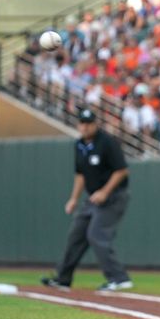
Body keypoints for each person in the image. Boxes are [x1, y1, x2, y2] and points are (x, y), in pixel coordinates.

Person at [41, 109, 133, 291]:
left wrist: (105, 192)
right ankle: (63, 278)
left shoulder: (106, 142)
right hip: (93, 198)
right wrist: (73, 199)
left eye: (88, 123)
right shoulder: (79, 145)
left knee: (97, 235)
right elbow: (80, 174)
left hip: (113, 196)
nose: (85, 126)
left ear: (95, 124)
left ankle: (119, 278)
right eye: (82, 123)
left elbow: (122, 170)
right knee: (76, 234)